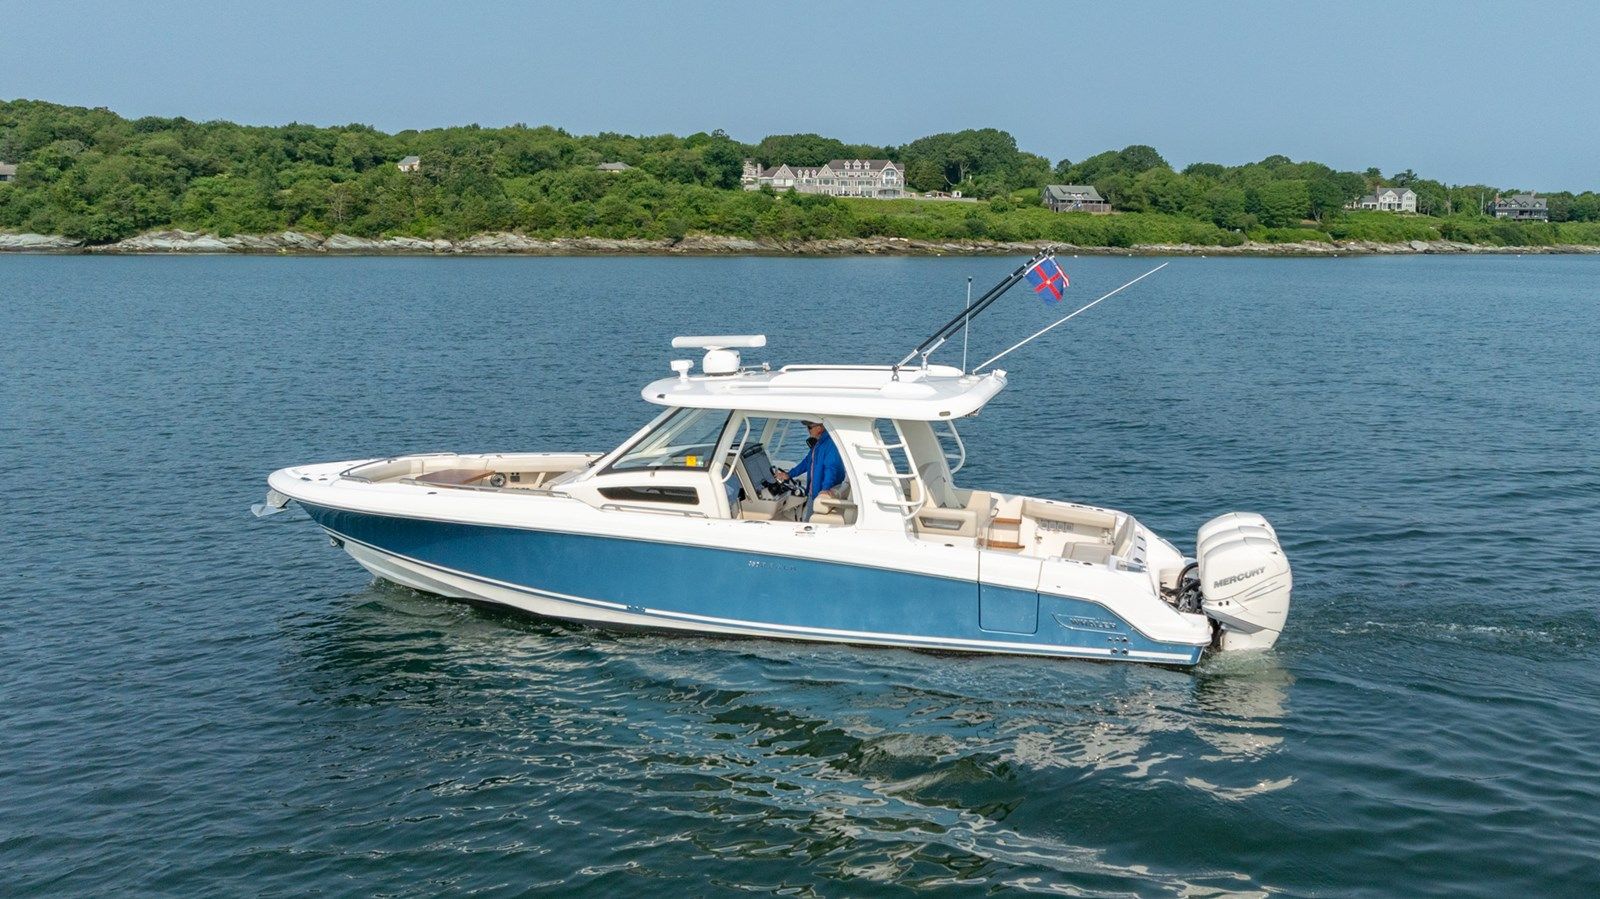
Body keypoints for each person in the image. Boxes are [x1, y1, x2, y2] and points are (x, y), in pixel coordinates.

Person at [775, 419, 846, 518]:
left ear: (819, 428)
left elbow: (831, 468)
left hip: (819, 493)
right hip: (813, 493)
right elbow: (807, 462)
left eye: (809, 427)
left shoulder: (830, 444)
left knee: (808, 522)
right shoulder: (818, 444)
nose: (807, 430)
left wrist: (825, 489)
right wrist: (789, 474)